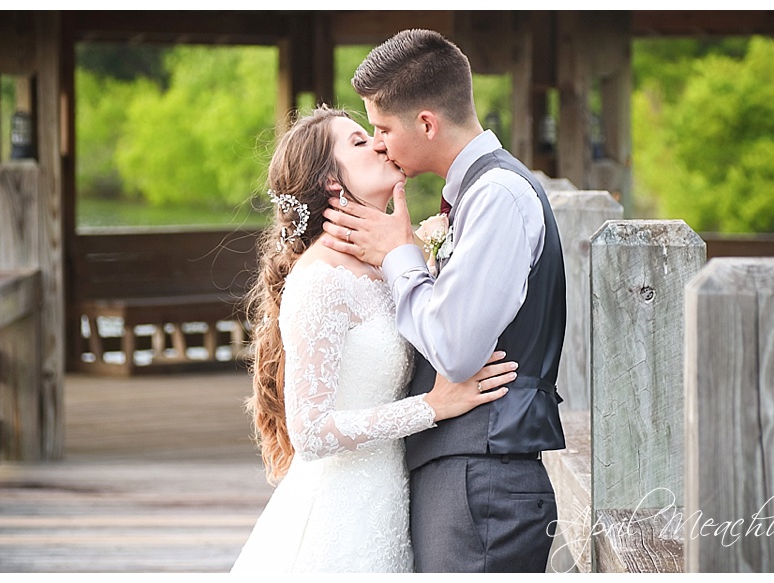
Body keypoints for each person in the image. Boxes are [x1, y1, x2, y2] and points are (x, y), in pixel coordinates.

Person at [230, 106, 516, 573]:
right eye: (361, 142)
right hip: (340, 516)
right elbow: (310, 433)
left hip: (391, 498)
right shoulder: (322, 278)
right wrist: (433, 406)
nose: (381, 144)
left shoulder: (390, 262)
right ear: (331, 182)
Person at [321, 29, 567, 572]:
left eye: (383, 128)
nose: (379, 142)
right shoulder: (474, 194)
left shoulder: (496, 197)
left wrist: (399, 256)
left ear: (427, 123)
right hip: (465, 474)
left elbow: (455, 351)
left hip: (483, 481)